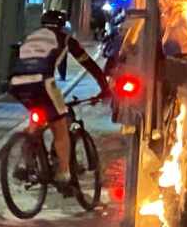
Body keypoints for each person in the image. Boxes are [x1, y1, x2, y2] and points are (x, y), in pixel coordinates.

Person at [8, 10, 111, 189]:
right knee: (60, 125)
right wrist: (105, 88)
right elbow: (89, 64)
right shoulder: (65, 39)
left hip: (17, 83)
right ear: (63, 25)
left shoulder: (30, 37)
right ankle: (64, 173)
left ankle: (25, 162)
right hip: (42, 82)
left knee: (36, 120)